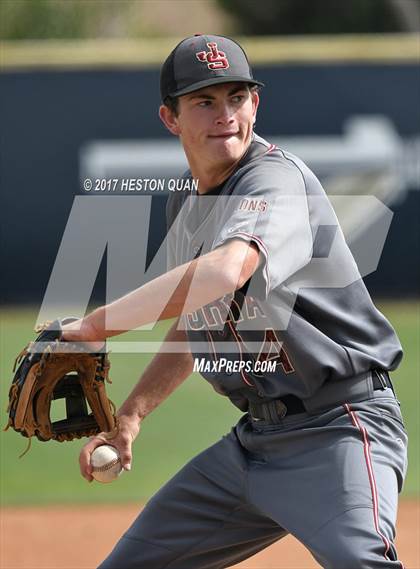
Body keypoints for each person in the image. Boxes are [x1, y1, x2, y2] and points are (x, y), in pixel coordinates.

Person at [63, 34, 408, 568]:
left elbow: (227, 270)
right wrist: (130, 416)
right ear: (170, 118)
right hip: (253, 447)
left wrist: (96, 326)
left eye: (236, 97)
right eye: (204, 101)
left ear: (255, 104)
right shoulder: (188, 199)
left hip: (338, 427)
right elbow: (200, 319)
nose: (225, 114)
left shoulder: (274, 180)